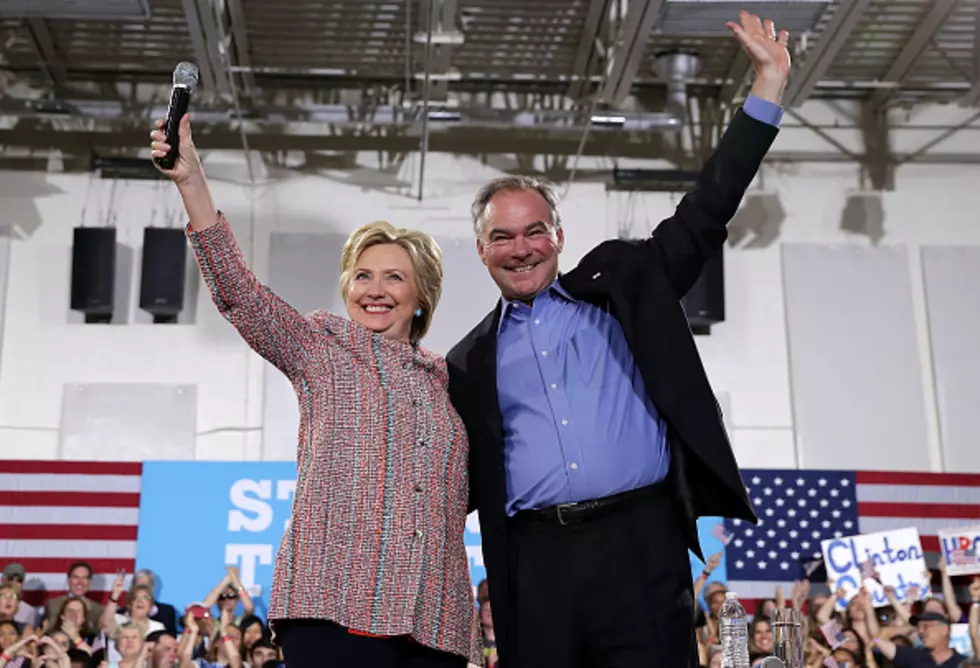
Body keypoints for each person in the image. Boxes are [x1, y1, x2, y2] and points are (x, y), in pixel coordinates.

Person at [445, 10, 790, 668]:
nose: (522, 248)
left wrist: (767, 88)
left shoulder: (624, 285)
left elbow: (706, 211)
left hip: (642, 546)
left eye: (534, 230)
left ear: (559, 235)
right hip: (536, 565)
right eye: (502, 237)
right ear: (481, 250)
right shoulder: (466, 363)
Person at [148, 115, 480, 668]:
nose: (375, 290)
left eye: (394, 277)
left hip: (433, 620)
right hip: (334, 608)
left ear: (423, 296)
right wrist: (191, 182)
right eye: (363, 275)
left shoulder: (450, 382)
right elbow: (242, 295)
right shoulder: (322, 346)